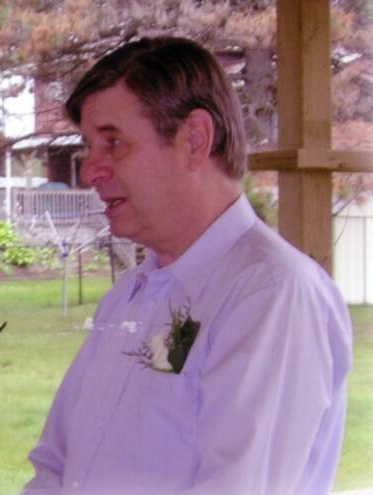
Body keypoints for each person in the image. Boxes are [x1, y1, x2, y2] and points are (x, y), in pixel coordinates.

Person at [24, 37, 353, 495]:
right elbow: (57, 464)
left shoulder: (272, 295)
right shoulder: (134, 294)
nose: (90, 170)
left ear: (195, 140)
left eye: (113, 142)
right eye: (89, 145)